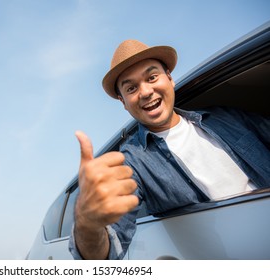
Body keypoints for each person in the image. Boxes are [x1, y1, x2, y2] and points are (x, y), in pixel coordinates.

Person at [68, 39, 270, 260]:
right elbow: (102, 257)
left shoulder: (225, 117)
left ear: (170, 79)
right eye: (131, 88)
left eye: (152, 77)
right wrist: (87, 222)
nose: (145, 91)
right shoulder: (130, 162)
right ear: (124, 102)